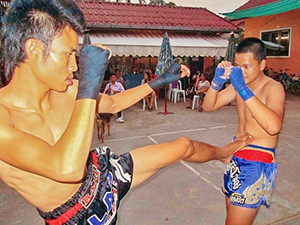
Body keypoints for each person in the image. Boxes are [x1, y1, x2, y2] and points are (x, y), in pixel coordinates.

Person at [0, 1, 252, 225]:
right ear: (33, 50)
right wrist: (89, 82)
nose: (74, 65)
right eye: (68, 54)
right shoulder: (3, 117)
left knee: (184, 145)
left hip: (101, 173)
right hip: (73, 217)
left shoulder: (67, 89)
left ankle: (222, 154)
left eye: (75, 56)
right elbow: (67, 169)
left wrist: (159, 81)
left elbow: (111, 104)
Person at [203, 37, 285, 225]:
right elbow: (208, 106)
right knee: (231, 218)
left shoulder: (273, 87)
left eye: (246, 66)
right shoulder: (238, 85)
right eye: (238, 66)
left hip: (256, 163)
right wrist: (216, 83)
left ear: (262, 64)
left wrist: (242, 88)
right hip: (234, 158)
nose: (241, 71)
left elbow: (273, 127)